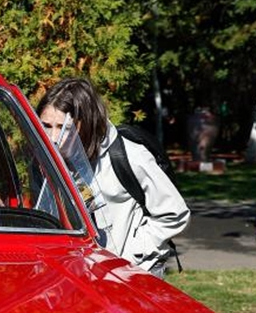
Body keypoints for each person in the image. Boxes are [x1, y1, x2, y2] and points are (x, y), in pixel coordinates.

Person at [37, 78, 189, 276]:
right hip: (82, 276)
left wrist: (133, 256)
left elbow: (175, 214)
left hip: (133, 275)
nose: (53, 138)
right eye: (46, 126)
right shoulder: (47, 160)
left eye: (64, 128)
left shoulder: (129, 156)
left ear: (87, 123)